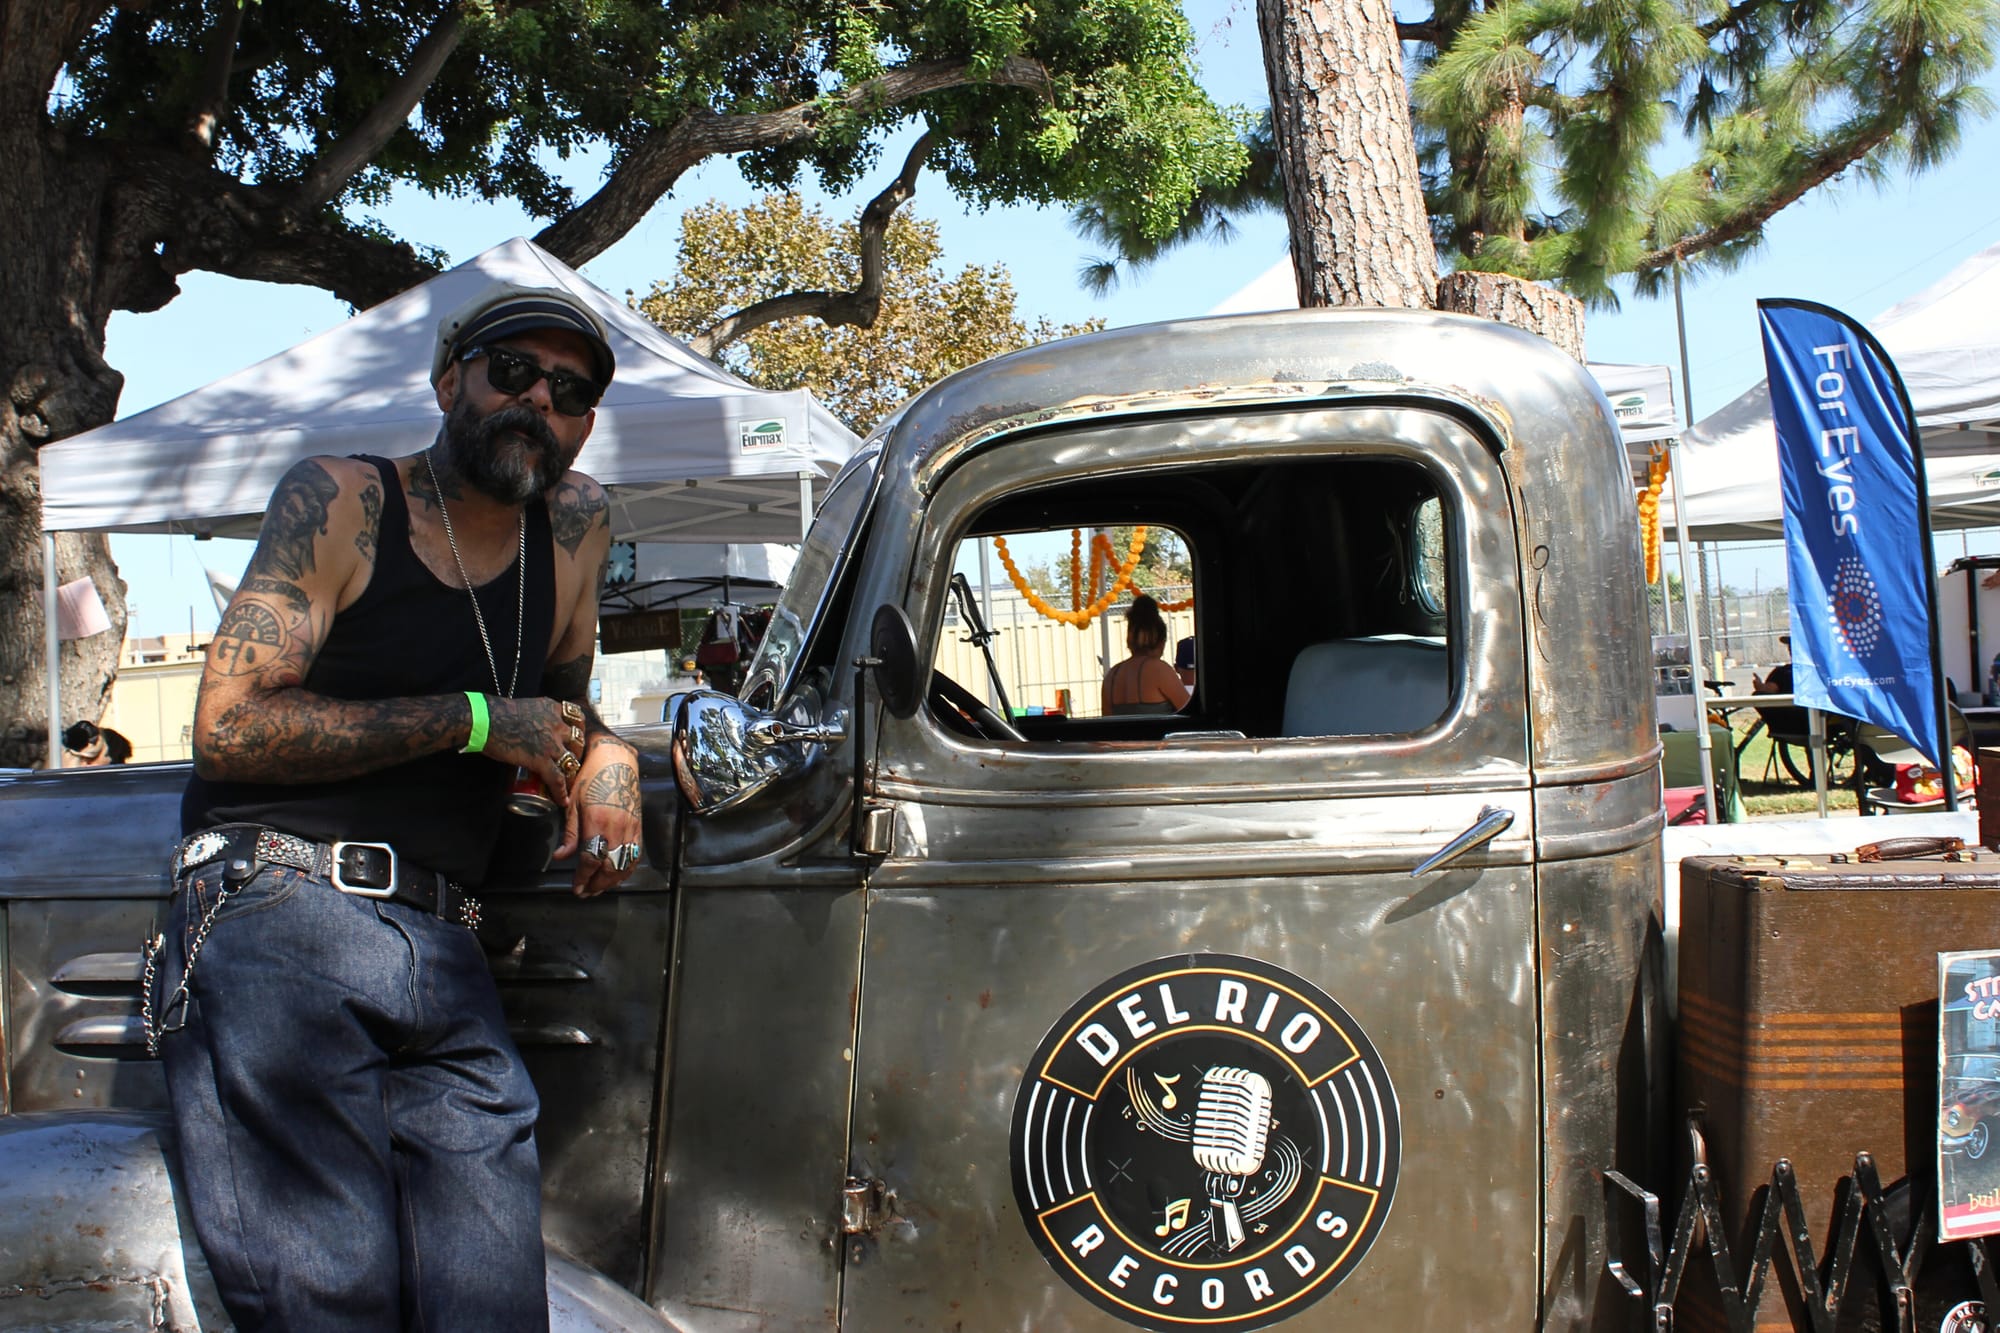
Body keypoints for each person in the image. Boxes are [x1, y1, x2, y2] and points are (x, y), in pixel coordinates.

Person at [152, 281, 645, 1332]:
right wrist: (469, 721)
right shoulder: (340, 499)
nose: (538, 405)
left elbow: (558, 709)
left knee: (494, 1304)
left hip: (448, 942)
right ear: (447, 380)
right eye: (512, 372)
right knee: (330, 1301)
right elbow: (230, 724)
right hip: (283, 906)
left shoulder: (578, 522)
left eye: (569, 392)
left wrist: (607, 752)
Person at [1103, 594, 1192, 716]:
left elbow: (1107, 724)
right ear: (1161, 641)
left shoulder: (1112, 675)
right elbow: (1192, 713)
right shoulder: (1159, 670)